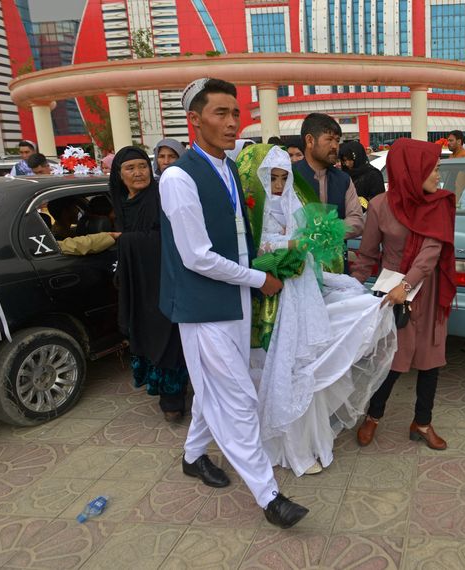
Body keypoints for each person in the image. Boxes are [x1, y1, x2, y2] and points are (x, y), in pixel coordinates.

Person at [158, 77, 308, 528]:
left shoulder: (227, 168)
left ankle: (191, 456)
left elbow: (238, 241)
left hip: (236, 298)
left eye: (235, 113)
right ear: (195, 120)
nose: (231, 122)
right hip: (204, 306)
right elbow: (196, 256)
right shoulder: (178, 177)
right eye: (220, 113)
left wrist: (270, 260)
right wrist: (260, 278)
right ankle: (269, 496)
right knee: (240, 397)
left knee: (214, 389)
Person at [239, 145, 397, 477]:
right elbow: (256, 252)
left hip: (305, 302)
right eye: (272, 178)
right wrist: (290, 247)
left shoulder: (297, 207)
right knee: (283, 372)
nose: (279, 186)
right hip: (271, 307)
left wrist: (340, 279)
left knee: (307, 370)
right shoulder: (249, 214)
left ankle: (307, 442)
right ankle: (286, 445)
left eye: (284, 177)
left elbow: (313, 260)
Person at [352, 139, 457, 451]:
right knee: (392, 361)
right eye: (434, 169)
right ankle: (373, 416)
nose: (438, 176)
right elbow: (368, 253)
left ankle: (422, 423)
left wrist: (407, 286)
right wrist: (352, 288)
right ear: (413, 169)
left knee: (430, 360)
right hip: (391, 293)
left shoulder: (437, 204)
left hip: (426, 291)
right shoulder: (381, 206)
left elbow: (431, 252)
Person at [110, 146, 189, 423]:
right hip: (137, 284)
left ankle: (174, 398)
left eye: (142, 166)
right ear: (119, 175)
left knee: (167, 337)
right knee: (143, 333)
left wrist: (124, 240)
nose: (138, 173)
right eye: (130, 168)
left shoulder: (159, 197)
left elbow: (167, 237)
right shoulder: (122, 203)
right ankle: (160, 389)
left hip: (162, 280)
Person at [293, 113, 364, 239]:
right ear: (310, 140)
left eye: (337, 140)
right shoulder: (290, 177)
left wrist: (326, 232)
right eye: (329, 139)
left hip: (335, 257)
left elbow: (357, 221)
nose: (335, 146)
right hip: (299, 256)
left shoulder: (343, 179)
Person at [338, 141, 385, 211]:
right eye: (344, 161)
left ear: (357, 157)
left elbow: (377, 203)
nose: (347, 164)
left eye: (349, 160)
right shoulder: (344, 175)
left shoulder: (373, 175)